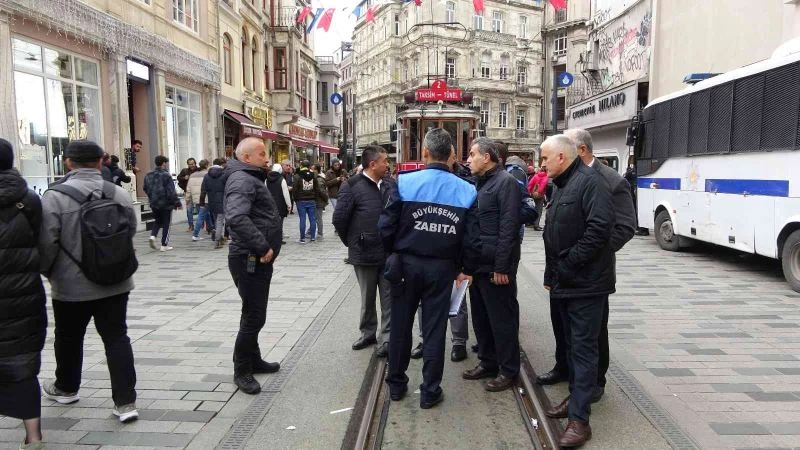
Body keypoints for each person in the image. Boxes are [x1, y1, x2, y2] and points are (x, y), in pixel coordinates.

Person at [39, 140, 139, 424]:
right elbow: (130, 230)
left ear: (68, 163)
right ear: (100, 162)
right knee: (117, 337)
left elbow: (47, 242)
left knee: (69, 337)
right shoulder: (117, 192)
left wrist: (49, 273)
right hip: (116, 281)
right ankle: (125, 401)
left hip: (71, 284)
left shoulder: (55, 197)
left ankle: (67, 387)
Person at [379, 129, 477, 409]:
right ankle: (430, 390)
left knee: (400, 327)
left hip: (405, 265)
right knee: (434, 331)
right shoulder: (467, 190)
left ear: (424, 152)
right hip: (442, 268)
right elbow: (471, 238)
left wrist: (393, 254)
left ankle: (396, 385)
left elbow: (386, 226)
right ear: (452, 155)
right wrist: (463, 268)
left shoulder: (404, 182)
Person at [540, 135, 614, 447]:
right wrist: (552, 272)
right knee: (571, 346)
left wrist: (568, 264)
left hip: (585, 284)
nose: (541, 165)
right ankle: (575, 400)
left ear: (561, 157)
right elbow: (553, 232)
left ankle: (580, 421)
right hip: (564, 282)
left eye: (545, 158)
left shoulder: (591, 182)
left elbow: (600, 230)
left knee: (584, 350)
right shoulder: (559, 185)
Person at [561, 128, 636, 402]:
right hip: (566, 269)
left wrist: (594, 253)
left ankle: (595, 382)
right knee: (565, 326)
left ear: (581, 150)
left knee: (593, 330)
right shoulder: (566, 177)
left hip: (594, 272)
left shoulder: (612, 180)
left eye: (565, 147)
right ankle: (564, 369)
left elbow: (625, 226)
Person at [460, 137, 522, 392]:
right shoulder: (481, 183)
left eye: (473, 154)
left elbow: (508, 227)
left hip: (495, 266)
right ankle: (488, 361)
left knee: (502, 320)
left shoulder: (505, 183)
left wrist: (502, 267)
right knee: (482, 318)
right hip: (478, 263)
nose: (468, 159)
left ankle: (508, 370)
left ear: (487, 157)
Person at [224, 137, 282, 395]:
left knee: (254, 312)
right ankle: (242, 371)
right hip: (249, 257)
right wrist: (262, 246)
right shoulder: (242, 179)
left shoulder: (252, 177)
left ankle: (253, 359)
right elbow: (236, 216)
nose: (267, 158)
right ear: (246, 158)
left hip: (255, 258)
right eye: (261, 154)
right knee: (254, 315)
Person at [0, 139, 47, 450]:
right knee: (23, 363)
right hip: (24, 294)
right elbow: (43, 244)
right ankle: (34, 437)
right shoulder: (27, 198)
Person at [333, 146, 394, 357]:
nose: (388, 164)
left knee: (388, 297)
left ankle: (387, 338)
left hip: (387, 252)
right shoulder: (351, 186)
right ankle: (368, 333)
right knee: (367, 297)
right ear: (372, 164)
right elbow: (339, 219)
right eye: (385, 161)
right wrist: (352, 242)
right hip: (364, 252)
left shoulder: (390, 184)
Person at [144, 155, 181, 251]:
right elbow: (171, 191)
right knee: (166, 224)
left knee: (157, 221)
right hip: (166, 203)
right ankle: (164, 245)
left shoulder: (148, 175)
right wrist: (177, 203)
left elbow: (145, 188)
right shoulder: (166, 175)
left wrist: (151, 196)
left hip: (154, 203)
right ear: (164, 163)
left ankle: (153, 236)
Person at [293, 160, 324, 244]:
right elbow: (317, 189)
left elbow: (295, 189)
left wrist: (295, 199)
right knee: (312, 219)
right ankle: (313, 237)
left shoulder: (297, 176)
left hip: (301, 200)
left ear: (301, 166)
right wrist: (315, 198)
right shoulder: (313, 176)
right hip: (311, 200)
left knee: (302, 219)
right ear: (309, 166)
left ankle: (302, 238)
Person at [201, 158, 227, 248]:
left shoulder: (206, 176)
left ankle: (221, 237)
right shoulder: (224, 175)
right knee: (220, 221)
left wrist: (201, 203)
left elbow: (203, 190)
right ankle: (217, 240)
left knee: (217, 220)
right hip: (222, 201)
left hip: (211, 202)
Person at [266, 163, 291, 245]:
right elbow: (286, 193)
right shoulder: (281, 179)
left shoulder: (267, 179)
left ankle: (270, 238)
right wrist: (289, 204)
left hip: (269, 203)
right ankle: (278, 239)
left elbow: (264, 192)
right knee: (280, 222)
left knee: (270, 222)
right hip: (280, 204)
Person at [187, 159, 210, 242]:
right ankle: (195, 234)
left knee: (206, 214)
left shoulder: (192, 175)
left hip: (196, 199)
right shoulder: (208, 174)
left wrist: (188, 199)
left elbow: (188, 189)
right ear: (207, 165)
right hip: (205, 198)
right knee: (201, 216)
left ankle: (211, 229)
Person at [177, 158, 199, 231]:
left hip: (198, 193)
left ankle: (202, 225)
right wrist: (184, 178)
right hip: (188, 193)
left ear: (195, 163)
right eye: (189, 164)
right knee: (189, 210)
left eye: (192, 164)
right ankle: (191, 226)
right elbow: (178, 178)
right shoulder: (185, 171)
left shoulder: (199, 170)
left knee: (200, 210)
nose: (191, 165)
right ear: (188, 164)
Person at [309, 163, 329, 239]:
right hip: (316, 201)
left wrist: (325, 199)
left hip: (318, 201)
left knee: (318, 218)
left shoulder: (319, 180)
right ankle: (309, 231)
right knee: (315, 217)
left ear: (317, 170)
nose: (311, 170)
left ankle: (320, 233)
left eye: (313, 169)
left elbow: (322, 192)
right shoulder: (315, 178)